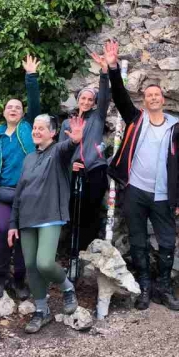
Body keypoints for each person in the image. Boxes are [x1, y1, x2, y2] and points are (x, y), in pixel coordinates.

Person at [104, 39, 179, 312]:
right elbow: (119, 96)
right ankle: (144, 287)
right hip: (135, 191)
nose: (153, 98)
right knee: (138, 240)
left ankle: (164, 287)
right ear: (145, 101)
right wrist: (114, 67)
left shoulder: (175, 128)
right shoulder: (136, 119)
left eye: (158, 94)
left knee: (166, 242)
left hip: (163, 194)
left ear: (163, 100)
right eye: (149, 95)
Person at [7, 114, 86, 334]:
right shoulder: (29, 158)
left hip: (50, 214)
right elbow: (19, 193)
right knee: (31, 265)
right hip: (26, 218)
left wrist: (75, 141)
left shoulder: (58, 153)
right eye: (34, 127)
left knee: (44, 263)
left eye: (41, 128)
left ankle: (66, 287)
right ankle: (42, 310)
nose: (36, 131)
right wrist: (13, 222)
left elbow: (67, 148)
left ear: (52, 133)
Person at [0, 55, 42, 301]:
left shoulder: (28, 128)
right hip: (3, 193)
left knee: (22, 236)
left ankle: (19, 279)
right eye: (10, 107)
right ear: (3, 111)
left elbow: (35, 103)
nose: (14, 110)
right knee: (1, 231)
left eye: (18, 107)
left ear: (22, 113)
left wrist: (31, 77)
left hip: (27, 193)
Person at [60, 50, 112, 256]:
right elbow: (60, 152)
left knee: (91, 212)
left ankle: (84, 251)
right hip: (73, 172)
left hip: (94, 170)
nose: (87, 102)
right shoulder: (66, 123)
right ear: (78, 99)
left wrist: (104, 72)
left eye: (91, 99)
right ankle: (70, 251)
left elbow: (106, 96)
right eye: (84, 98)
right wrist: (69, 165)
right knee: (72, 211)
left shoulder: (98, 118)